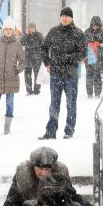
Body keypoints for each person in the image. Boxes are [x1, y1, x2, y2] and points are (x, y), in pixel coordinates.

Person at [39, 7, 87, 140]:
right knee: (54, 103)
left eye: (67, 16)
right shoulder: (53, 31)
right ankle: (51, 131)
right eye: (63, 16)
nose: (65, 18)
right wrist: (47, 62)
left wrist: (69, 58)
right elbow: (44, 48)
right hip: (56, 74)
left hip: (71, 74)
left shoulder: (78, 33)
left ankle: (69, 130)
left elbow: (83, 53)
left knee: (71, 103)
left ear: (71, 18)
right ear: (60, 17)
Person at [0, 147, 69, 206]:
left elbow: (69, 198)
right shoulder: (23, 176)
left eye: (47, 169)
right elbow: (10, 203)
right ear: (33, 166)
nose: (44, 173)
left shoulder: (60, 175)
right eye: (40, 169)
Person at [0, 16, 26, 136]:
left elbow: (23, 61)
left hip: (11, 79)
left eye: (10, 29)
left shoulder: (17, 44)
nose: (7, 31)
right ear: (3, 30)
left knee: (9, 104)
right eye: (6, 29)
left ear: (13, 30)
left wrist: (16, 70)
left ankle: (7, 128)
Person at [84, 16, 103, 98]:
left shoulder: (102, 32)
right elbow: (83, 43)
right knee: (89, 75)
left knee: (97, 75)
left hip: (98, 57)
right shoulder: (88, 32)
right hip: (89, 56)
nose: (95, 27)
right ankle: (89, 93)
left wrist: (97, 44)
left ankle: (97, 93)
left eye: (97, 25)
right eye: (93, 25)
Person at [20, 22, 44, 95]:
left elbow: (43, 45)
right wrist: (26, 35)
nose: (31, 29)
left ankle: (37, 90)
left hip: (37, 58)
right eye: (29, 27)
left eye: (32, 27)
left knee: (37, 75)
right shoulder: (26, 36)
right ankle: (29, 90)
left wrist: (42, 55)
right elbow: (21, 43)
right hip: (27, 58)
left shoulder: (39, 35)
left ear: (35, 28)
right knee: (27, 74)